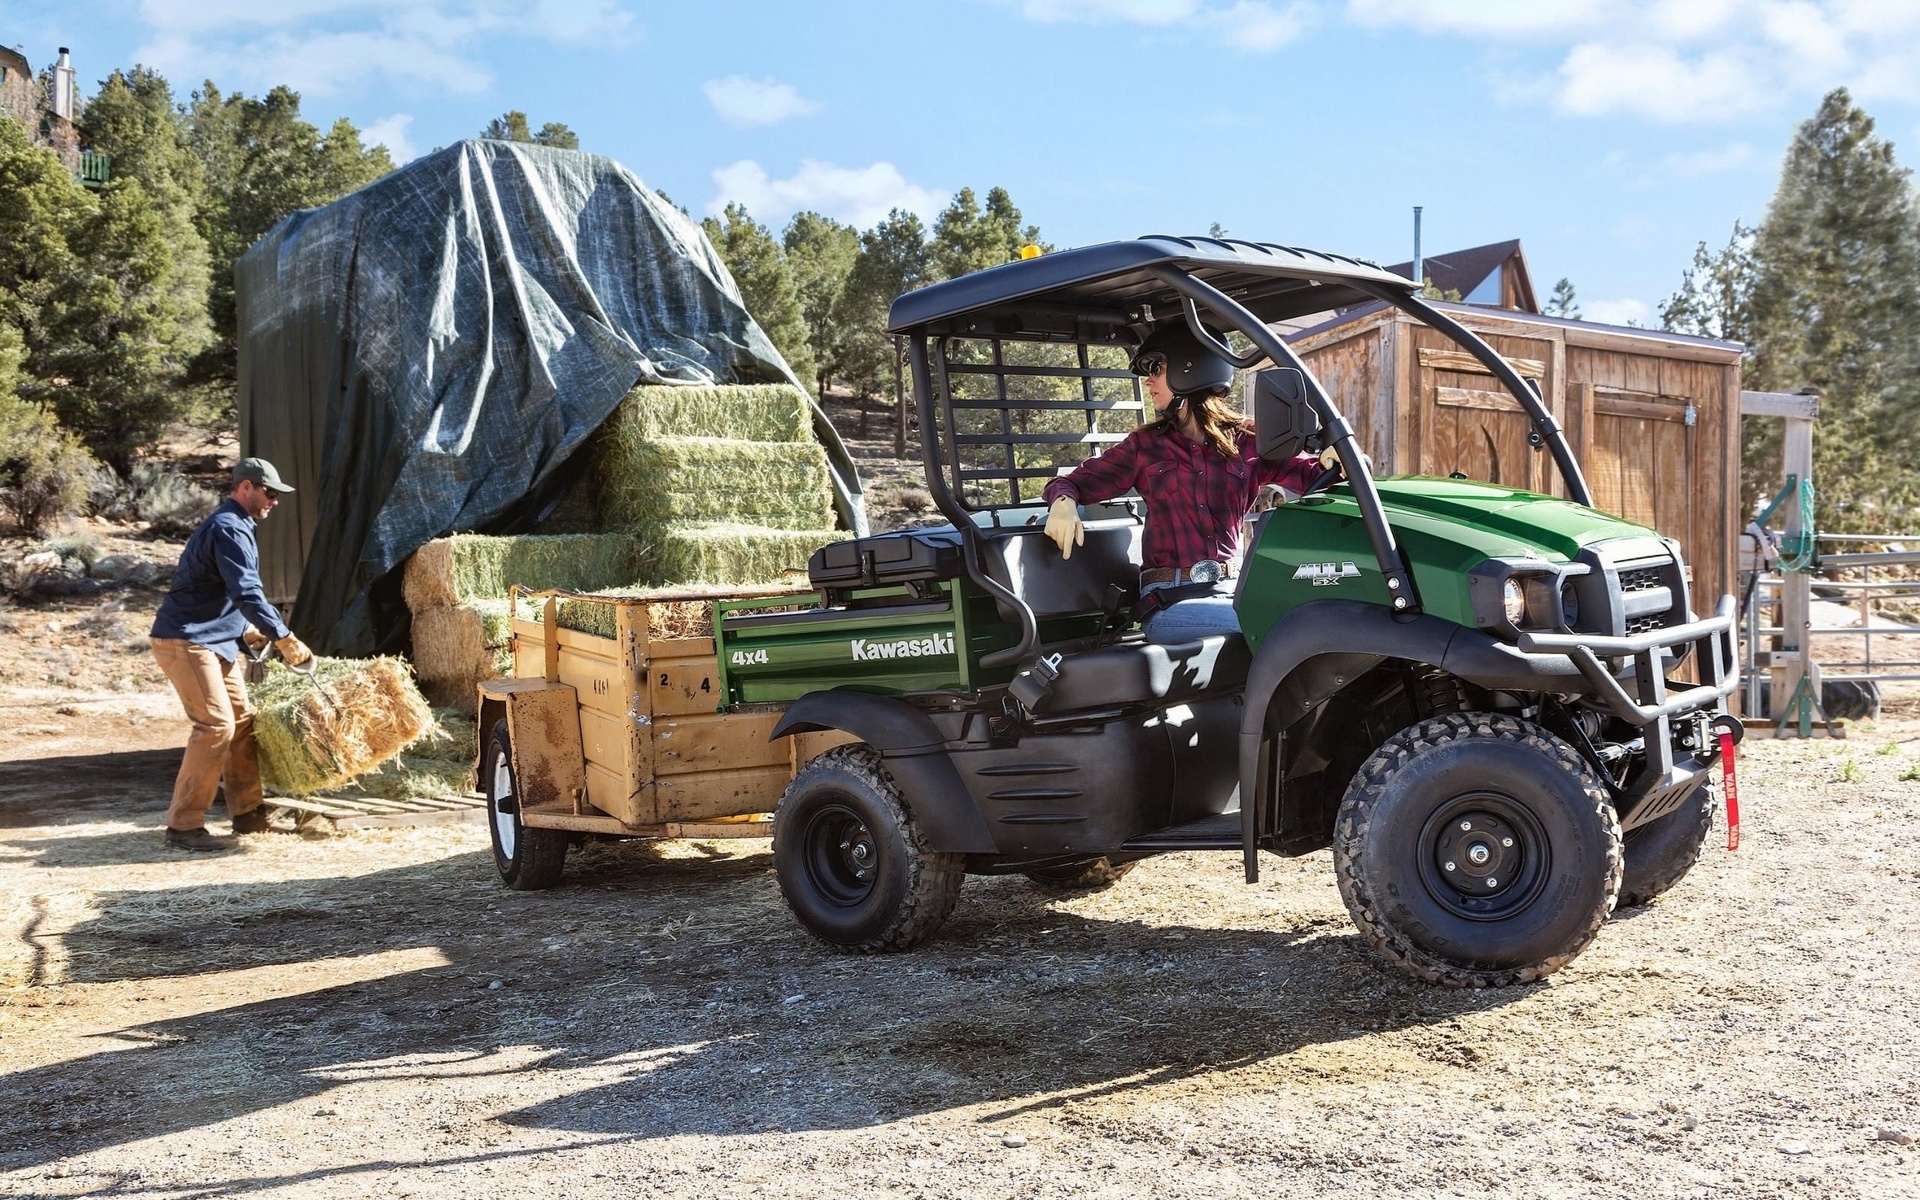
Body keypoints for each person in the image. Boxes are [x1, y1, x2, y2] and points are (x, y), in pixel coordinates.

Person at [1040, 325, 1321, 644]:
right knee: (1280, 628)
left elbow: (1314, 478)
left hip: (1233, 591)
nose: (1148, 380)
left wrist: (1332, 460)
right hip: (1169, 600)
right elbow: (1070, 483)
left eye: (1156, 368)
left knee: (1312, 618)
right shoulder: (1144, 446)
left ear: (1191, 369)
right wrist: (1062, 503)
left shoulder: (1247, 442)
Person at [148, 458, 313, 851]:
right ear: (245, 488)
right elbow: (247, 593)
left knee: (242, 722)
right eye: (269, 492)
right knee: (215, 726)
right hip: (187, 640)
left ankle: (248, 815)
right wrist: (283, 636)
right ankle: (183, 827)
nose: (274, 500)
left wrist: (245, 632)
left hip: (212, 641)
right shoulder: (228, 527)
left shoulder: (237, 526)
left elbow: (218, 592)